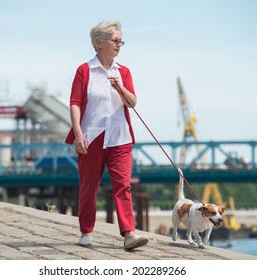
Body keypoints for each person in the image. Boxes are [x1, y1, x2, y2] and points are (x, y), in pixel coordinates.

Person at [65, 20, 148, 250]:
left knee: (123, 185)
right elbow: (74, 104)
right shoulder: (84, 70)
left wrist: (120, 88)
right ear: (99, 43)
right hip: (92, 137)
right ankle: (86, 232)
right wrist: (78, 134)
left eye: (121, 41)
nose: (119, 44)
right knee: (89, 186)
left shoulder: (124, 72)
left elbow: (132, 103)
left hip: (120, 137)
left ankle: (129, 234)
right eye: (115, 40)